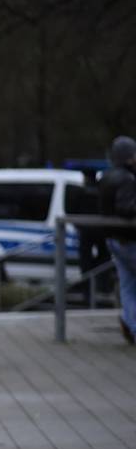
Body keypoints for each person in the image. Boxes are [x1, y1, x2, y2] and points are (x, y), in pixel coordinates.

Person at [98, 135, 136, 344]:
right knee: (129, 285)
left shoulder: (107, 177)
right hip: (129, 240)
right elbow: (126, 208)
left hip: (114, 239)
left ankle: (131, 323)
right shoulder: (127, 179)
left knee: (128, 286)